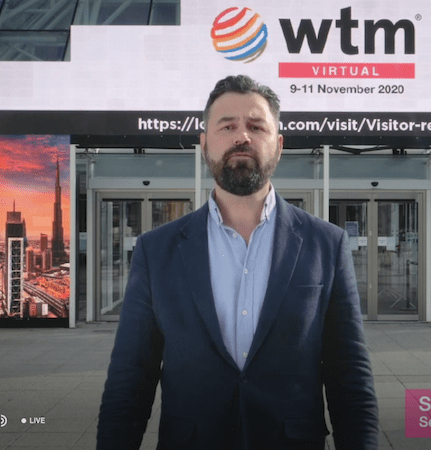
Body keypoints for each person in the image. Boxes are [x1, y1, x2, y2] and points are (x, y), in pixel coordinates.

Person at [97, 75, 379, 449]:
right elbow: (130, 379)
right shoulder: (157, 250)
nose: (241, 136)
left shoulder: (325, 244)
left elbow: (350, 378)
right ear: (204, 144)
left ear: (278, 146)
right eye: (227, 126)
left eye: (256, 126)